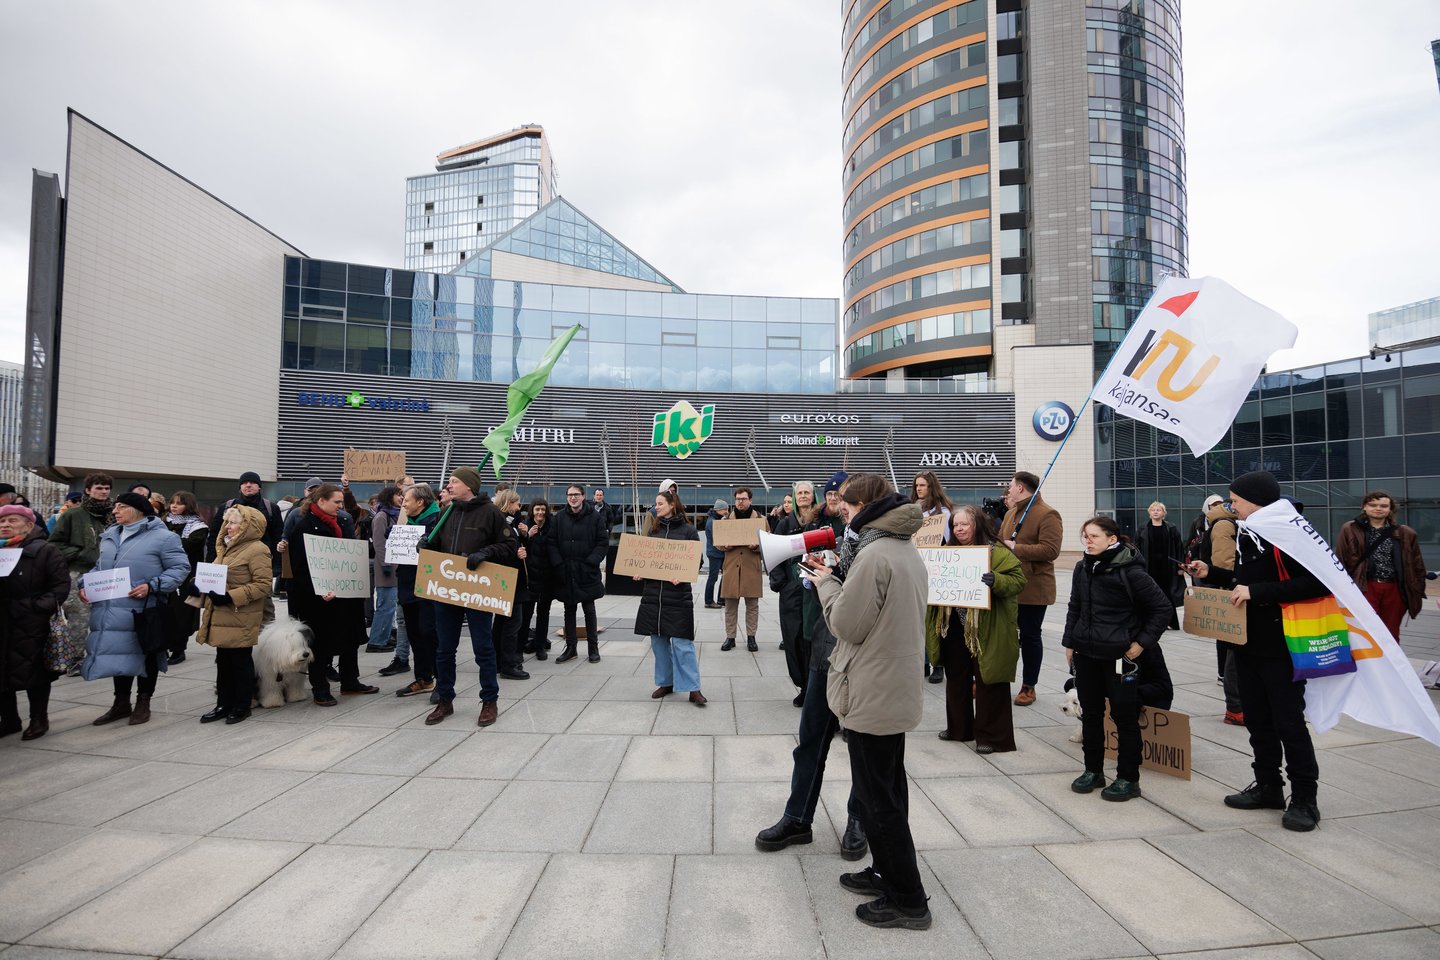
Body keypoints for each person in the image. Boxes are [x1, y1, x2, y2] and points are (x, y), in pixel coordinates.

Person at [808, 473, 931, 930]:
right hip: (889, 687)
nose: (842, 508)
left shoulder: (875, 554)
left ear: (867, 506)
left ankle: (907, 900)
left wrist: (825, 581)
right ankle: (885, 872)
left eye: (848, 504)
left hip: (872, 690)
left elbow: (846, 623)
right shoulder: (898, 547)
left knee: (880, 802)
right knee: (888, 790)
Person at [1187, 471, 1330, 832]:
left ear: (1255, 500)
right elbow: (1244, 582)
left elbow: (1315, 581)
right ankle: (1267, 786)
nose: (1231, 506)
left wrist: (1257, 593)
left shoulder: (1290, 531)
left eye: (1235, 500)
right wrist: (1213, 573)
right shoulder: (1251, 530)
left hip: (1282, 646)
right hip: (1248, 641)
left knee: (1289, 723)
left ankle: (1304, 799)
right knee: (1257, 721)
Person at [1062, 516, 1172, 801]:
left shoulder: (1131, 571)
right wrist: (1069, 642)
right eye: (1085, 536)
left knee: (1124, 716)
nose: (1088, 541)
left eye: (1094, 536)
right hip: (1086, 653)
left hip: (1120, 656)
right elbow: (1075, 605)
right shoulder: (1082, 567)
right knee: (1092, 715)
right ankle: (1093, 771)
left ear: (1112, 538)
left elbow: (1162, 608)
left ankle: (1128, 778)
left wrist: (1141, 644)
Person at [80, 492, 190, 726]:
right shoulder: (110, 536)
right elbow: (99, 568)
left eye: (121, 507)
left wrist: (152, 587)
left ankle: (143, 701)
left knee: (147, 654)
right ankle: (120, 703)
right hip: (112, 609)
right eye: (115, 507)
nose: (115, 511)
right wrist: (85, 585)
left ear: (138, 510)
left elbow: (180, 568)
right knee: (120, 654)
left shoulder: (164, 537)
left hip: (145, 610)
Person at [424, 466, 516, 726]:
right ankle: (445, 699)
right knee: (444, 650)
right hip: (448, 590)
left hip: (477, 591)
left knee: (483, 649)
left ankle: (489, 700)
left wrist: (485, 553)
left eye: (454, 481)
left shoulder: (490, 513)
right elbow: (435, 543)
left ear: (469, 486)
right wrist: (425, 544)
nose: (449, 485)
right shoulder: (446, 511)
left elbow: (510, 546)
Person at [281, 483, 379, 706]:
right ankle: (320, 688)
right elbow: (300, 567)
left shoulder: (342, 521)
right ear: (321, 501)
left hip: (344, 594)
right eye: (336, 502)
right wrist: (319, 589)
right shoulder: (304, 525)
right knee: (321, 644)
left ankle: (350, 681)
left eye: (341, 503)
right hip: (318, 599)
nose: (339, 506)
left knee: (350, 639)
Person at [936, 505, 1023, 753]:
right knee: (956, 678)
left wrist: (997, 580)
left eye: (964, 524)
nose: (959, 529)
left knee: (989, 680)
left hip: (987, 627)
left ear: (977, 525)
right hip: (954, 626)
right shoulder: (946, 552)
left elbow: (1018, 580)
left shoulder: (997, 552)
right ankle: (959, 728)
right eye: (955, 525)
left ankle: (992, 737)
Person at [194, 505, 272, 725]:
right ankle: (223, 703)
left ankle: (242, 704)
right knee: (223, 661)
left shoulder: (257, 549)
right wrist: (197, 585)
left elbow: (263, 585)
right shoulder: (225, 547)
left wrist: (231, 596)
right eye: (227, 522)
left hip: (241, 613)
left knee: (240, 661)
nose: (228, 527)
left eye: (234, 522)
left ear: (248, 526)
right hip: (221, 615)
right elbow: (214, 576)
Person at [0, 505, 70, 740]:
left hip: (31, 622)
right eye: (2, 521)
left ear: (29, 525)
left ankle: (39, 719)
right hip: (3, 621)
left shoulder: (45, 550)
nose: (5, 525)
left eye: (12, 520)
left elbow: (60, 586)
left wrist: (37, 608)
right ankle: (9, 720)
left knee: (35, 673)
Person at [998, 470, 1063, 706]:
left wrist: (1017, 548)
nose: (1008, 488)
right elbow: (1000, 542)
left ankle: (1029, 685)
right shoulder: (1011, 513)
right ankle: (998, 680)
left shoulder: (1047, 514)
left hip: (1033, 587)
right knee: (1004, 635)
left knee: (1029, 636)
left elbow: (1050, 550)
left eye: (1011, 484)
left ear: (1020, 488)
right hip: (1007, 584)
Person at [636, 489, 707, 706]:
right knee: (658, 642)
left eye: (660, 503)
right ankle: (666, 682)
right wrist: (640, 570)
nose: (656, 507)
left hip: (677, 596)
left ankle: (693, 688)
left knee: (682, 643)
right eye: (656, 504)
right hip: (653, 596)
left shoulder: (688, 531)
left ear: (672, 505)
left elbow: (698, 562)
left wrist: (683, 573)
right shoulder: (653, 531)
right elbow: (646, 559)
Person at [1337, 489, 1427, 644]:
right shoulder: (1350, 529)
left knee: (1390, 633)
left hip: (1394, 589)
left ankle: (1393, 667)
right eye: (1373, 504)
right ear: (1364, 507)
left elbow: (1417, 565)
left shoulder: (1406, 533)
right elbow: (1340, 560)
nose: (1378, 508)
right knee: (1365, 632)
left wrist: (1416, 590)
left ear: (1390, 509)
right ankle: (1368, 667)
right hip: (1364, 587)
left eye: (1383, 506)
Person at [50, 472, 114, 672]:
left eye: (106, 488)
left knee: (106, 617)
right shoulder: (72, 515)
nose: (103, 492)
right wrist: (82, 552)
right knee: (79, 618)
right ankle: (76, 659)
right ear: (88, 490)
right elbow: (54, 544)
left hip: (108, 573)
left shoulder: (115, 514)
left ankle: (100, 655)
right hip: (79, 572)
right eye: (99, 488)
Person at [1190, 493, 1243, 722]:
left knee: (1235, 648)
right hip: (1233, 594)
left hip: (1232, 590)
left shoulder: (1228, 523)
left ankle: (1238, 705)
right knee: (1235, 648)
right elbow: (1225, 563)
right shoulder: (1224, 525)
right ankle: (1236, 707)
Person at [550, 483, 610, 664]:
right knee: (569, 610)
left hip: (586, 571)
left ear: (583, 496)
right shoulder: (559, 517)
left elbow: (602, 542)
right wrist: (558, 564)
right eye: (570, 495)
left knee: (589, 610)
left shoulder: (595, 517)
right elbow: (551, 542)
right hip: (566, 571)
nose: (573, 498)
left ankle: (593, 648)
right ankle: (571, 648)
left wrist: (592, 561)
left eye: (576, 494)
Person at [393, 483, 441, 699]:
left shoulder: (438, 521)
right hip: (408, 587)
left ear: (420, 502)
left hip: (429, 589)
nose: (403, 503)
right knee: (414, 634)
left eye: (407, 500)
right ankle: (424, 678)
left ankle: (441, 681)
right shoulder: (407, 521)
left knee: (430, 634)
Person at [771, 481, 815, 700]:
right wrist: (782, 583)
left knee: (812, 639)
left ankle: (812, 687)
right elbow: (774, 557)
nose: (803, 496)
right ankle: (802, 684)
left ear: (813, 496)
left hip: (815, 591)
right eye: (800, 493)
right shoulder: (785, 524)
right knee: (793, 637)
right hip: (791, 591)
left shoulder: (819, 520)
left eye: (807, 492)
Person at [911, 470, 956, 684]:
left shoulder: (943, 513)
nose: (918, 489)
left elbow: (948, 542)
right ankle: (924, 662)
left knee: (936, 621)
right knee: (920, 621)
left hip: (936, 572)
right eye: (916, 485)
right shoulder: (911, 511)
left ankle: (938, 664)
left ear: (931, 487)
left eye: (922, 485)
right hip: (915, 569)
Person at [162, 491, 209, 665]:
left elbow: (189, 547)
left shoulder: (198, 527)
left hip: (187, 576)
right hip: (163, 573)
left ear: (188, 506)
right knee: (164, 611)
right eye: (172, 502)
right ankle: (163, 646)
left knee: (181, 613)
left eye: (179, 503)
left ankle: (178, 649)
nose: (174, 506)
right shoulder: (162, 523)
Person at [493, 489, 531, 680]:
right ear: (508, 503)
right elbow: (499, 549)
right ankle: (508, 664)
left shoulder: (510, 522)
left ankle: (499, 662)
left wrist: (523, 537)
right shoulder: (501, 523)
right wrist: (516, 555)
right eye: (516, 504)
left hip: (511, 580)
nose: (519, 507)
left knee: (501, 623)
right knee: (511, 624)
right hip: (509, 581)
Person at [720, 486, 764, 652]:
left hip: (751, 569)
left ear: (750, 500)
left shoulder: (761, 519)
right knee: (730, 606)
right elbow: (717, 544)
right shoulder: (725, 521)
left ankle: (751, 637)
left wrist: (756, 547)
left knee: (752, 606)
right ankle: (730, 637)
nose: (740, 502)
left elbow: (769, 543)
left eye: (743, 499)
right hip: (731, 568)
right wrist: (725, 545)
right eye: (738, 499)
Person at [368, 485, 405, 667]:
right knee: (385, 605)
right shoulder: (382, 516)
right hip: (387, 568)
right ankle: (376, 641)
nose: (401, 497)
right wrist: (386, 564)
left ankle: (384, 636)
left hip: (394, 566)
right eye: (399, 495)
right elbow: (379, 544)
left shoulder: (395, 514)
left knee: (390, 606)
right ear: (390, 496)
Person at [515, 498, 555, 661]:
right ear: (532, 511)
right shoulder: (524, 527)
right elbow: (519, 548)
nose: (540, 512)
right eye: (537, 509)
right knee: (525, 615)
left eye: (543, 509)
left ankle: (540, 647)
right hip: (529, 578)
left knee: (544, 614)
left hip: (546, 578)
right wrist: (527, 537)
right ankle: (520, 647)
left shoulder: (552, 527)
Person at [1135, 501, 1184, 630]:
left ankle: (1170, 621)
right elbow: (1136, 549)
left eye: (1159, 510)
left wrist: (1180, 567)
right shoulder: (1142, 528)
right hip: (1148, 567)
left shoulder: (1171, 528)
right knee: (1149, 594)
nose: (1156, 512)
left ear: (1163, 513)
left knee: (1167, 594)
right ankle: (1150, 622)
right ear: (1149, 513)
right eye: (1153, 510)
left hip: (1167, 568)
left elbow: (1179, 548)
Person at [702, 499, 728, 608]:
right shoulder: (712, 522)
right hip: (715, 553)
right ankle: (709, 601)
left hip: (719, 553)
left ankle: (721, 599)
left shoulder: (716, 519)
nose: (727, 511)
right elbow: (718, 537)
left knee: (725, 575)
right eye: (725, 509)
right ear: (719, 510)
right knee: (713, 578)